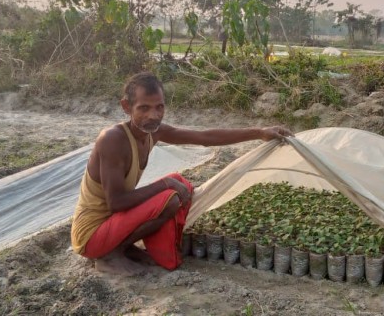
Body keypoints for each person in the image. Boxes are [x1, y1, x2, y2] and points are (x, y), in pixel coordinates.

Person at [70, 71, 293, 276]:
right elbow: (116, 203)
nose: (154, 115)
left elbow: (204, 138)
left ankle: (123, 247)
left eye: (159, 107)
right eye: (144, 108)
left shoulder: (153, 132)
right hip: (91, 235)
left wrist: (259, 132)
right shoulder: (113, 139)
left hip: (112, 225)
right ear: (126, 107)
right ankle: (110, 255)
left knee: (181, 184)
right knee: (170, 195)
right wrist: (164, 183)